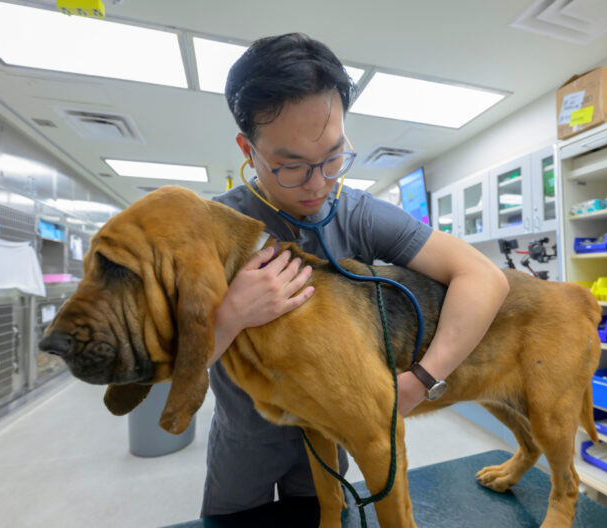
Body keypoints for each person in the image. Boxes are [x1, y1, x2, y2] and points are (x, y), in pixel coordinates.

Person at [203, 33, 509, 523]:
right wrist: (231, 316)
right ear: (248, 148)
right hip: (244, 451)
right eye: (290, 167)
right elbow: (160, 365)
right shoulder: (214, 230)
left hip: (332, 444)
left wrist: (421, 382)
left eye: (332, 156)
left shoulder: (357, 214)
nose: (319, 183)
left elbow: (483, 277)